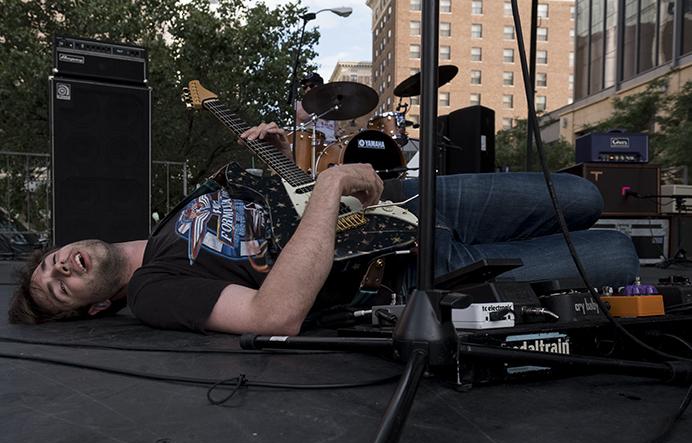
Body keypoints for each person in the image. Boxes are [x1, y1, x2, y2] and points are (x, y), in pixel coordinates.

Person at [9, 122, 640, 335]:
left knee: (583, 191)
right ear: (91, 312)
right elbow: (272, 315)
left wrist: (294, 160)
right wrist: (334, 187)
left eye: (48, 262)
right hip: (409, 266)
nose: (58, 268)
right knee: (614, 257)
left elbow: (288, 207)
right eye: (57, 288)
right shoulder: (153, 290)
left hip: (407, 197)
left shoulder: (178, 213)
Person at [294, 72, 338, 143]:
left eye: (311, 86)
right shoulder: (300, 104)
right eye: (305, 87)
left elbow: (335, 130)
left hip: (330, 146)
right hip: (310, 144)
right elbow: (301, 116)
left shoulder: (331, 105)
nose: (308, 89)